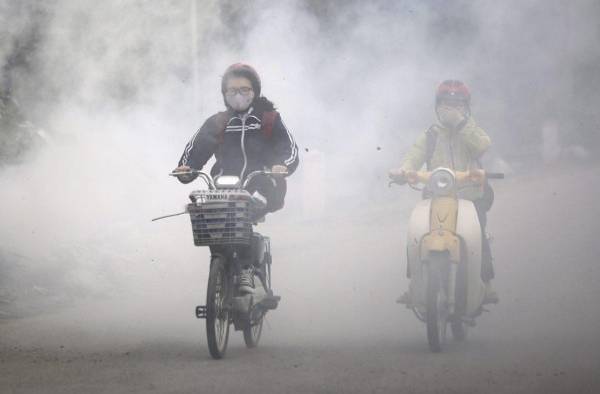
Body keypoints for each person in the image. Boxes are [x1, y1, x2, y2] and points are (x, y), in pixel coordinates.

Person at [173, 63, 299, 293]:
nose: (238, 95)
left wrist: (281, 166)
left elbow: (288, 148)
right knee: (211, 216)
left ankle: (247, 270)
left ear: (255, 91)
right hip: (224, 184)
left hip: (263, 182)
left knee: (249, 207)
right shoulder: (218, 122)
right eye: (232, 91)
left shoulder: (269, 119)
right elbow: (196, 149)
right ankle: (220, 267)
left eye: (244, 89)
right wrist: (186, 168)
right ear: (224, 95)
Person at [389, 80, 498, 304]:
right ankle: (415, 285)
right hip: (435, 197)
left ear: (466, 108)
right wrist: (404, 170)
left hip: (470, 196)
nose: (451, 109)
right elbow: (414, 156)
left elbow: (482, 145)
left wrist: (460, 124)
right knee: (416, 233)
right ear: (437, 106)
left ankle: (486, 285)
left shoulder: (471, 130)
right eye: (446, 104)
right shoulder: (430, 135)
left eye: (457, 105)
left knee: (478, 236)